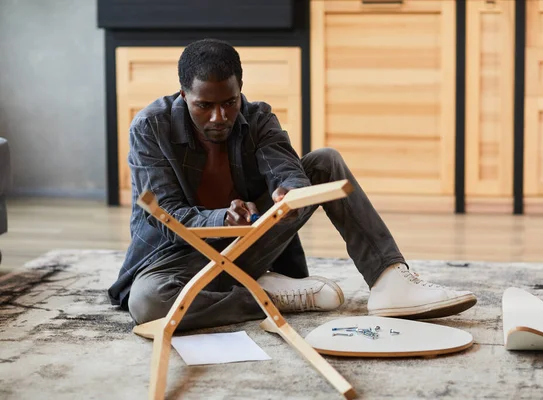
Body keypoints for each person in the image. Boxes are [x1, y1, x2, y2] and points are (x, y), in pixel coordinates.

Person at [108, 38, 477, 331]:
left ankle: (390, 280)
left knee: (325, 161)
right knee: (146, 304)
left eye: (230, 102)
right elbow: (165, 216)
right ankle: (267, 294)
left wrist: (290, 191)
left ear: (241, 90)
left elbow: (287, 167)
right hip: (179, 254)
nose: (219, 117)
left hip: (252, 239)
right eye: (204, 105)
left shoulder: (258, 117)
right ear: (183, 93)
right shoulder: (150, 127)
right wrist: (221, 217)